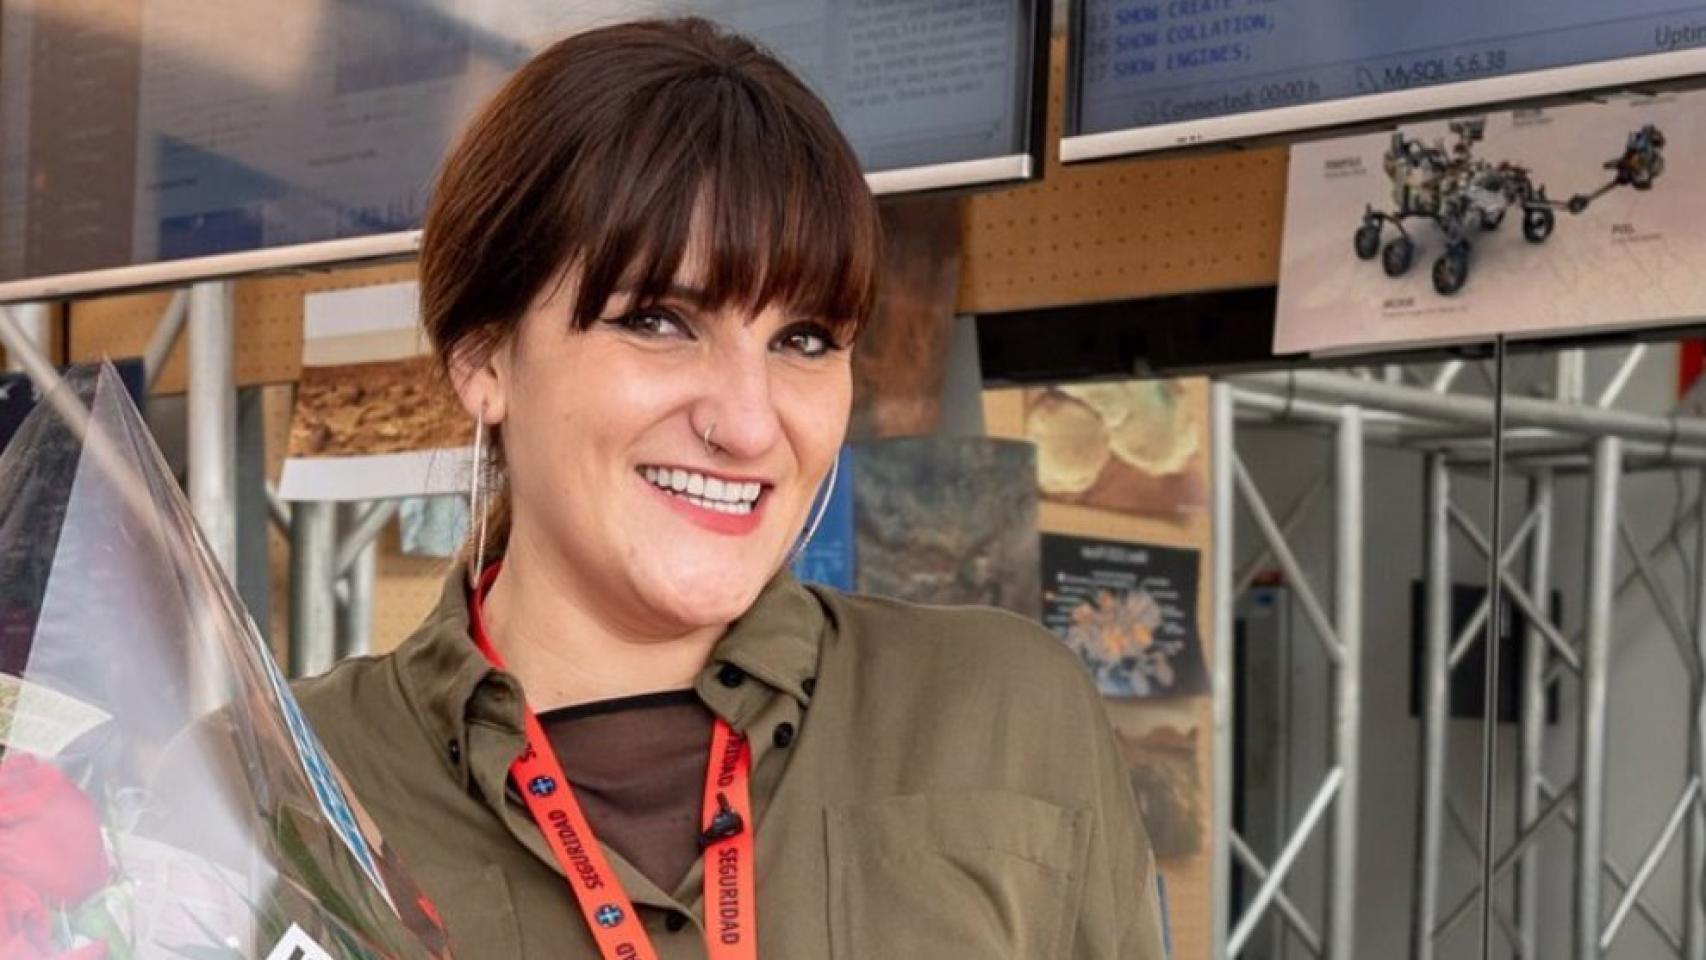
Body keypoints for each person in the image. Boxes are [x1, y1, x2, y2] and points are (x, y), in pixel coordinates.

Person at [296, 16, 1166, 959]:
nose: (749, 425)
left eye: (804, 340)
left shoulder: (1006, 712)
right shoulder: (285, 787)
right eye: (659, 321)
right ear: (482, 359)